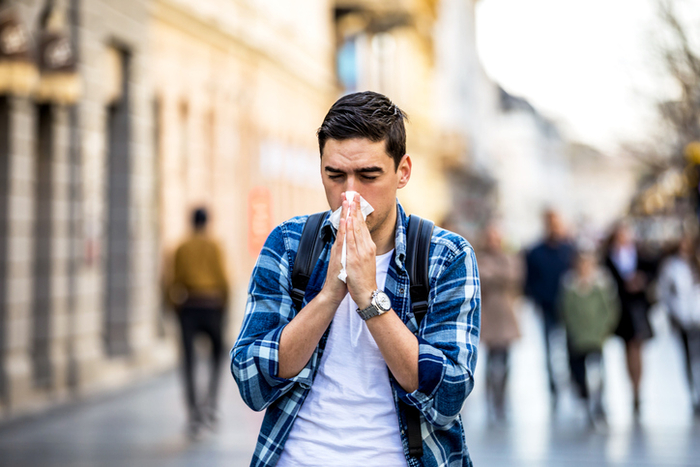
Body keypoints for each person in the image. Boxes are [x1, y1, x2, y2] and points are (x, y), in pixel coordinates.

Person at [231, 91, 481, 467]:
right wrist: (329, 295)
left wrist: (369, 297)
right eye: (335, 176)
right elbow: (251, 381)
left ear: (403, 172)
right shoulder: (288, 244)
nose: (350, 194)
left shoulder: (444, 256)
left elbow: (448, 395)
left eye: (368, 176)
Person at [169, 207, 229, 438]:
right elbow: (224, 279)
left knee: (189, 361)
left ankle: (194, 412)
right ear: (207, 222)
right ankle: (211, 402)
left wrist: (175, 307)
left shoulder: (181, 248)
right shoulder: (215, 245)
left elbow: (173, 282)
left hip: (189, 307)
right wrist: (224, 306)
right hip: (212, 305)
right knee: (218, 355)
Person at [559, 246, 620, 426]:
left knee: (598, 371)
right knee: (579, 372)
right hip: (577, 337)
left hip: (596, 336)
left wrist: (604, 330)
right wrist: (573, 330)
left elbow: (609, 309)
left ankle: (599, 402)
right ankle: (585, 400)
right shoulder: (569, 285)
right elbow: (565, 311)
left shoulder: (601, 284)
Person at [524, 209, 575, 406]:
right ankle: (552, 384)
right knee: (548, 348)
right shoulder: (535, 251)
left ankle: (572, 379)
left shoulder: (568, 249)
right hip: (546, 306)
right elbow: (529, 280)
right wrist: (537, 298)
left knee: (570, 346)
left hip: (568, 308)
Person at [604, 222, 655, 417]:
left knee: (637, 347)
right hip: (621, 309)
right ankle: (631, 384)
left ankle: (637, 387)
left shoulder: (640, 254)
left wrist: (641, 280)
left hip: (639, 307)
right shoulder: (609, 257)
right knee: (628, 348)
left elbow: (652, 270)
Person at [478, 223, 523, 421]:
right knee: (489, 361)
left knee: (505, 360)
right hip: (488, 314)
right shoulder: (480, 258)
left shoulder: (509, 258)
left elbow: (513, 276)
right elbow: (481, 276)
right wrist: (498, 276)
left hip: (505, 315)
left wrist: (493, 275)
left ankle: (502, 398)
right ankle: (490, 399)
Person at [656, 234, 700, 416]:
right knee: (689, 359)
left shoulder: (696, 265)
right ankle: (694, 395)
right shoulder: (670, 267)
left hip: (698, 317)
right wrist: (671, 313)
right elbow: (664, 292)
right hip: (682, 319)